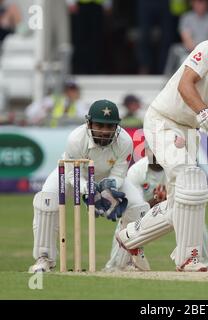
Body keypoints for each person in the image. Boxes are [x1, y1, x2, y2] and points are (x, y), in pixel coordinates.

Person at [116, 18, 208, 272]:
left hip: (190, 131)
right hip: (164, 120)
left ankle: (129, 237)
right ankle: (188, 259)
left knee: (184, 200)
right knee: (190, 178)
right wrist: (205, 113)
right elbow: (186, 84)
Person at [28, 99, 150, 273]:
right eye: (100, 125)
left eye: (110, 126)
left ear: (117, 126)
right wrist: (88, 191)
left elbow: (118, 174)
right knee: (46, 200)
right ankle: (44, 258)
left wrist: (107, 193)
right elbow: (71, 175)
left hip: (107, 176)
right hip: (75, 173)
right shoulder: (76, 139)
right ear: (89, 123)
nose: (104, 131)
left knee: (139, 208)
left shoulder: (125, 141)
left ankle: (123, 263)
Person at [104, 144, 208, 272]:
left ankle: (204, 264)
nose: (157, 156)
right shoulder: (136, 171)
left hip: (173, 209)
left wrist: (169, 201)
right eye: (154, 151)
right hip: (145, 213)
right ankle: (117, 265)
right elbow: (136, 207)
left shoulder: (177, 169)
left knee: (195, 219)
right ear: (146, 151)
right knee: (126, 221)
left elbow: (187, 199)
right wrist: (156, 200)